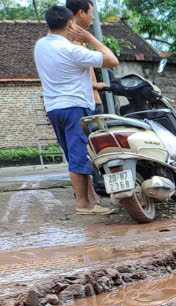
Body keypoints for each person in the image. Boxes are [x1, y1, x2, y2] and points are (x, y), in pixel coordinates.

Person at [34, 4, 118, 215]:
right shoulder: (73, 50)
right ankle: (83, 204)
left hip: (54, 108)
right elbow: (112, 60)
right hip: (75, 107)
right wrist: (91, 39)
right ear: (70, 23)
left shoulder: (40, 45)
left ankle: (91, 201)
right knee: (80, 154)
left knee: (74, 155)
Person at [67, 0, 108, 114]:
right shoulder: (69, 40)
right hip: (84, 104)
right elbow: (111, 60)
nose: (93, 17)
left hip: (92, 101)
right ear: (81, 12)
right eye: (91, 12)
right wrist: (95, 85)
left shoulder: (80, 38)